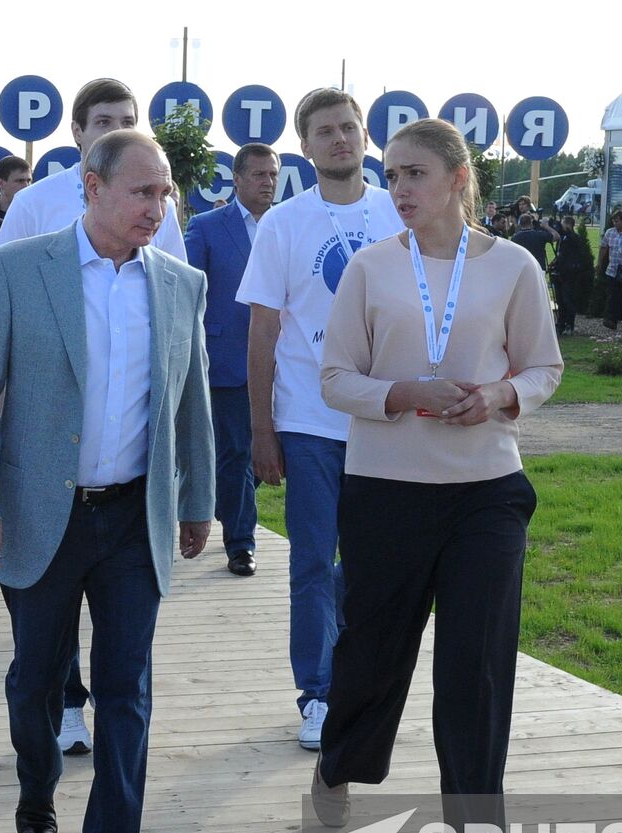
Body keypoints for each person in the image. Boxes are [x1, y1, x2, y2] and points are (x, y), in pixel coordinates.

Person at [0, 130, 214, 833]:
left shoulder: (179, 284)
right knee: (35, 679)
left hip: (135, 517)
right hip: (41, 515)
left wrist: (199, 501)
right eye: (141, 191)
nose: (156, 207)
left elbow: (191, 399)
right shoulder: (16, 268)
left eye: (163, 192)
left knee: (127, 692)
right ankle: (37, 782)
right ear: (91, 187)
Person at [312, 117, 563, 833]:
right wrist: (400, 394)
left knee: (475, 672)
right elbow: (334, 378)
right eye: (391, 177)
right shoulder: (368, 268)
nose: (399, 191)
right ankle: (340, 761)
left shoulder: (516, 267)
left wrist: (499, 396)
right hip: (385, 490)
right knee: (372, 654)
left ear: (459, 178)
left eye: (413, 174)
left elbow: (544, 366)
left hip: (486, 490)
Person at [0, 77, 187, 754]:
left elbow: (177, 347)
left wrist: (192, 493)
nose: (114, 128)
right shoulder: (34, 207)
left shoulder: (160, 215)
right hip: (45, 466)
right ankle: (56, 716)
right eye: (102, 120)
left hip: (129, 488)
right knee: (39, 658)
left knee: (127, 675)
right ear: (78, 138)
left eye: (127, 119)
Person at [237, 87, 403, 751]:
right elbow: (261, 327)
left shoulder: (398, 211)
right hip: (308, 418)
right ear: (302, 147)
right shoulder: (284, 223)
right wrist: (260, 427)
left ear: (365, 137)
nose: (337, 139)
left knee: (372, 561)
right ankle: (318, 692)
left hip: (387, 418)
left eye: (347, 128)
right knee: (310, 560)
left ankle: (356, 678)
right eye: (323, 132)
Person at [184, 143, 279, 578]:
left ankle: (223, 503)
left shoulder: (287, 226)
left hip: (287, 360)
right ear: (237, 179)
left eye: (273, 174)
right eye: (258, 175)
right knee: (238, 452)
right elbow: (187, 293)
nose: (267, 182)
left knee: (269, 455)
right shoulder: (206, 227)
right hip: (228, 359)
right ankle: (241, 543)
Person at [0, 77, 186, 263]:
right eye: (104, 122)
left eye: (127, 122)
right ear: (77, 131)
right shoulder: (32, 203)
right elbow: (1, 279)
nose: (118, 131)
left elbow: (174, 284)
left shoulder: (161, 208)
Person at [550, 215, 590, 335]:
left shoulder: (573, 238)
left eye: (562, 224)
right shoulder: (563, 238)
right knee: (560, 300)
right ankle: (561, 324)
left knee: (568, 299)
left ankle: (569, 324)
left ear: (568, 224)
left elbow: (570, 254)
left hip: (569, 274)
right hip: (560, 272)